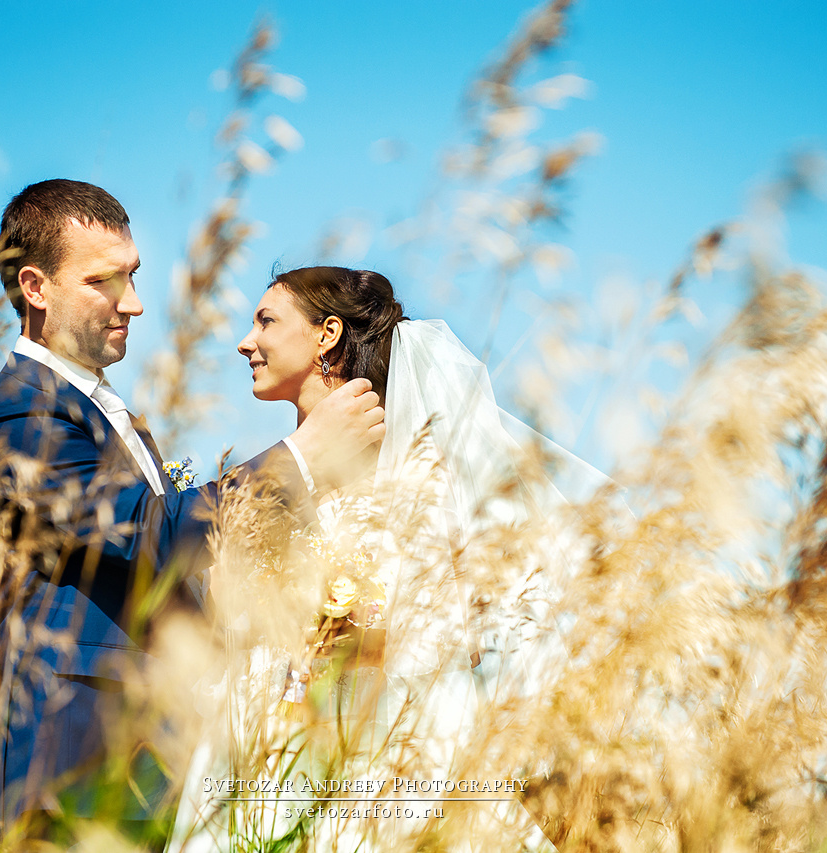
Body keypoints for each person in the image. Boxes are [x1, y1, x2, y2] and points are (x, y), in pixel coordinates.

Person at [0, 185, 385, 843]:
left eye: (134, 275)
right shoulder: (15, 411)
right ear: (36, 287)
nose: (135, 302)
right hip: (76, 769)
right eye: (104, 280)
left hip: (155, 767)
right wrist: (302, 456)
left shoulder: (111, 416)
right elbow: (146, 535)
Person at [171, 266, 613, 850]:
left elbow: (440, 638)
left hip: (366, 767)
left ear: (327, 333)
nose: (244, 341)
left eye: (266, 321)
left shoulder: (403, 484)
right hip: (256, 760)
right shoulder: (269, 486)